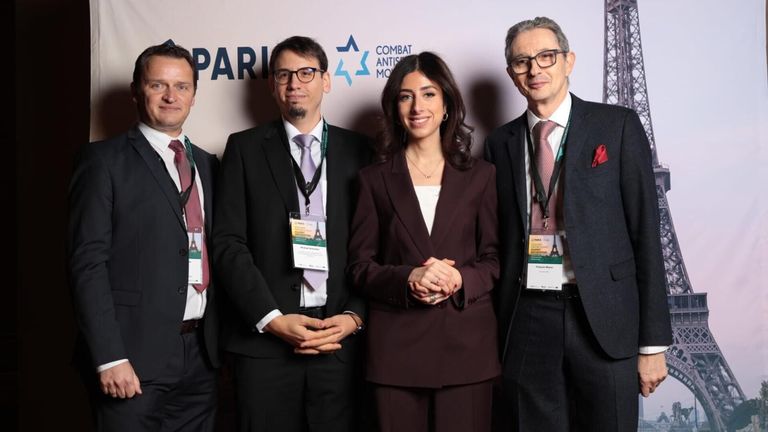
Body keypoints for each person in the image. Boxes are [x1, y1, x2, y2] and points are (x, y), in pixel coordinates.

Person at [484, 17, 673, 431]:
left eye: (546, 57)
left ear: (568, 61)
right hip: (528, 318)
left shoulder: (617, 126)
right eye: (521, 62)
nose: (535, 69)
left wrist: (653, 342)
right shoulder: (499, 144)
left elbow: (647, 234)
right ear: (511, 75)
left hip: (605, 319)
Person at [212, 36, 371, 432]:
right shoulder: (244, 149)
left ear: (326, 80)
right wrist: (270, 319)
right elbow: (229, 243)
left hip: (340, 344)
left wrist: (354, 316)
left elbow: (375, 246)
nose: (294, 83)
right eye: (283, 74)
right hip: (265, 346)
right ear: (272, 85)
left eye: (306, 72)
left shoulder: (361, 151)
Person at [68, 41, 220, 431]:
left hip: (201, 356)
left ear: (194, 95)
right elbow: (87, 264)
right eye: (158, 85)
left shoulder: (209, 164)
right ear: (137, 91)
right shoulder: (103, 161)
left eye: (182, 86)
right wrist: (109, 357)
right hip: (131, 357)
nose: (171, 96)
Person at [348, 51, 500, 432]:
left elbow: (494, 259)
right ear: (395, 108)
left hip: (467, 351)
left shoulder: (481, 176)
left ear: (446, 104)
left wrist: (460, 279)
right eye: (405, 96)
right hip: (396, 352)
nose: (417, 106)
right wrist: (408, 277)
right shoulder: (372, 179)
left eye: (429, 94)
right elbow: (359, 267)